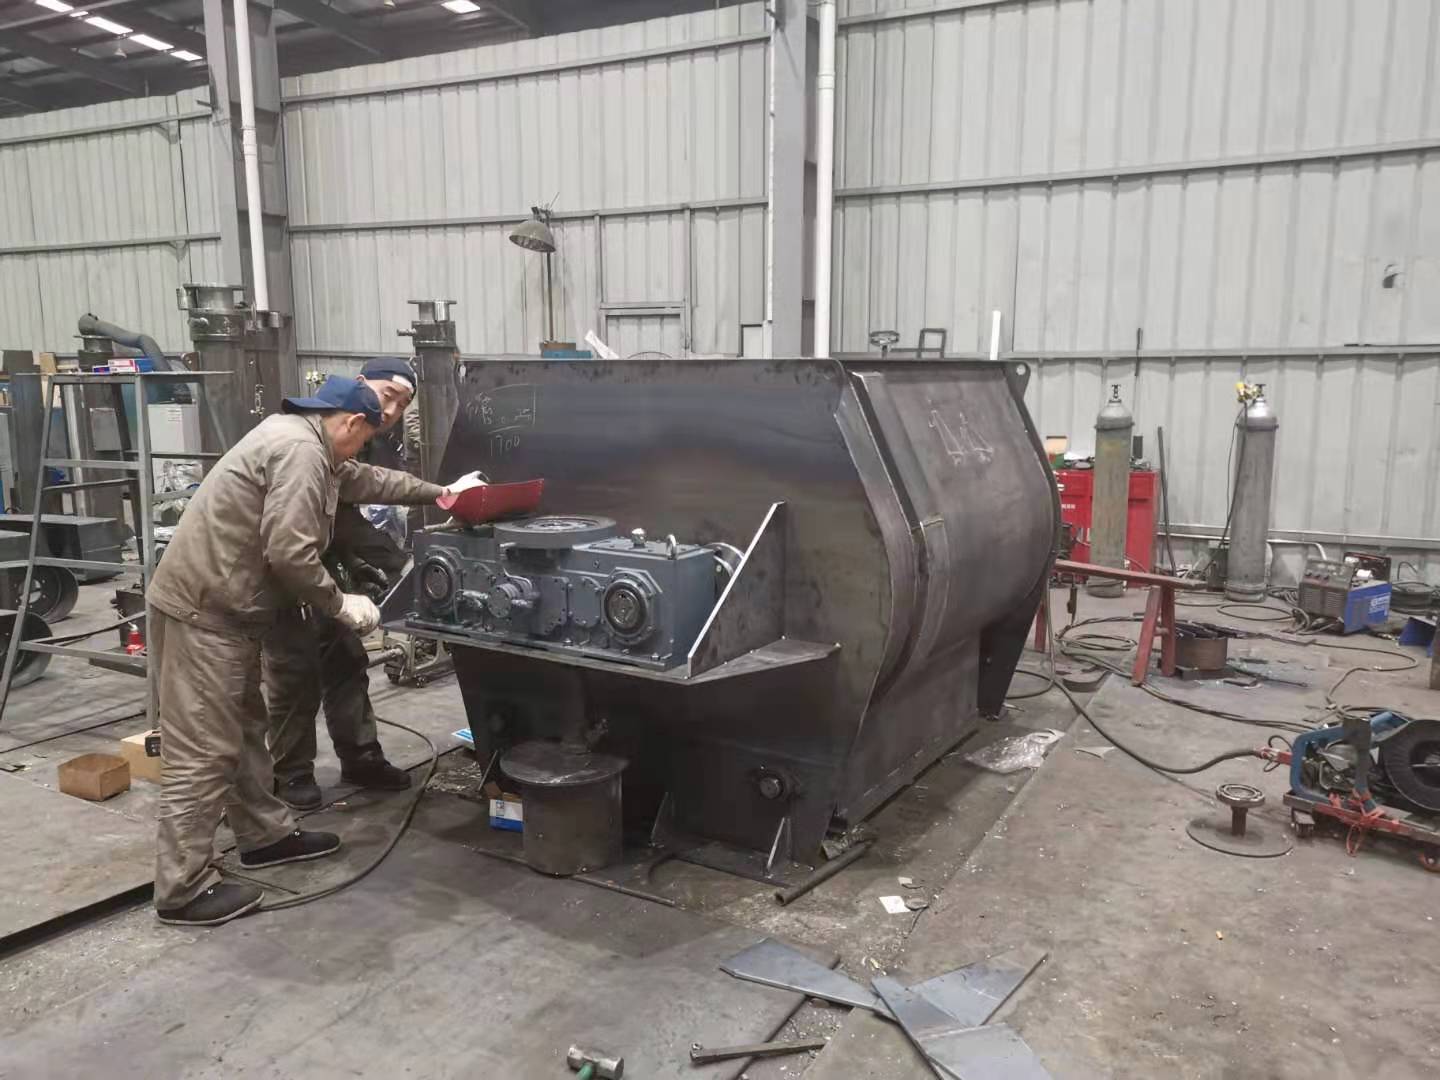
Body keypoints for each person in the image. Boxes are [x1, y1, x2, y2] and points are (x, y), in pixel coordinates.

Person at [146, 376, 455, 927]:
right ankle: (181, 889)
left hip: (231, 614)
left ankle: (263, 836)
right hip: (205, 613)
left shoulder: (308, 439)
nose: (360, 451)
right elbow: (289, 552)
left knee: (244, 731)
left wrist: (442, 492)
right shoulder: (300, 453)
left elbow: (368, 479)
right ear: (352, 422)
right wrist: (340, 603)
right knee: (203, 750)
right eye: (365, 438)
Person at [263, 358, 436, 809]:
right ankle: (290, 773)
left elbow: (364, 490)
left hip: (323, 569)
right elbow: (303, 538)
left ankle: (361, 757)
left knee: (345, 660)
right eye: (388, 395)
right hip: (282, 574)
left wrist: (442, 493)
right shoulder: (308, 445)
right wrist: (392, 567)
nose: (392, 410)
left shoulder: (357, 440)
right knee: (293, 672)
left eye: (403, 404)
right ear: (359, 387)